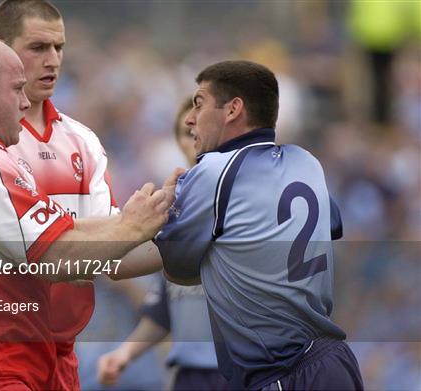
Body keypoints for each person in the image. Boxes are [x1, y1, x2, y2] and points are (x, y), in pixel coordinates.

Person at [0, 36, 173, 391]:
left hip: (3, 363)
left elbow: (71, 234)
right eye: (16, 89)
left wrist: (159, 226)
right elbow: (57, 255)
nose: (24, 101)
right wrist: (133, 225)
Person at [155, 60, 364, 390]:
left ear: (233, 109)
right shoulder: (306, 161)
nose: (191, 118)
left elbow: (177, 268)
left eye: (199, 103)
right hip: (333, 362)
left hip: (283, 372)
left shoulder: (213, 171)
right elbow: (330, 224)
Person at [0, 2, 165, 389]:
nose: (52, 60)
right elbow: (38, 255)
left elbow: (110, 258)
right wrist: (130, 228)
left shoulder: (82, 141)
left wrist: (184, 236)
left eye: (59, 48)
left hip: (61, 357)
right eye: (37, 48)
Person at [96, 98, 227, 390]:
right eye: (185, 132)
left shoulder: (239, 200)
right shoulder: (174, 207)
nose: (194, 139)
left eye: (200, 129)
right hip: (190, 373)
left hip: (240, 371)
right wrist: (124, 353)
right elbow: (164, 306)